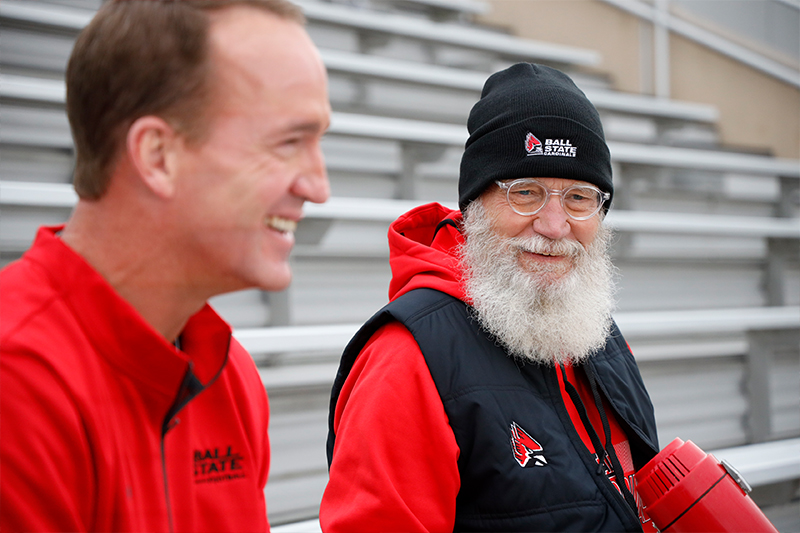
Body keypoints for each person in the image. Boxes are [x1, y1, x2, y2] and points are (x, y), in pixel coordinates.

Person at [0, 0, 330, 530]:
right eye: (289, 142)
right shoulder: (16, 380)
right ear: (157, 156)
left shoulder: (231, 378)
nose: (318, 186)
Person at [321, 63, 659, 532]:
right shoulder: (408, 359)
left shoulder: (594, 331)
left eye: (579, 198)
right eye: (526, 192)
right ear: (474, 205)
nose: (554, 225)